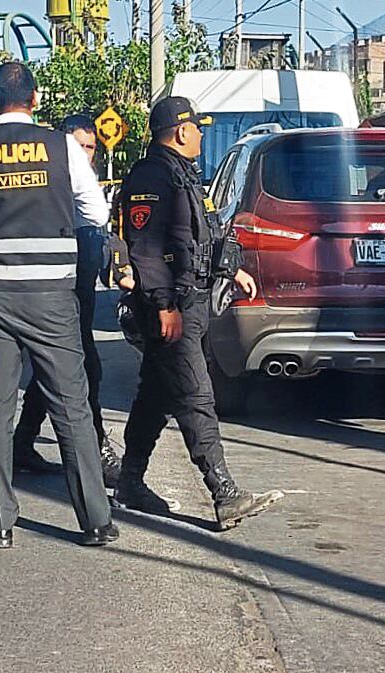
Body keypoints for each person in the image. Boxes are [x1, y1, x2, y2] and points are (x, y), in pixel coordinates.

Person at [0, 62, 116, 550]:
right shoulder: (62, 147)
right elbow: (96, 211)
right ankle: (95, 520)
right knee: (71, 405)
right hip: (53, 296)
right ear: (34, 100)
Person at [116, 95, 282, 530]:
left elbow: (198, 238)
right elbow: (147, 250)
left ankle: (130, 482)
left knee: (154, 397)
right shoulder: (152, 177)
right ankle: (223, 492)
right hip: (170, 306)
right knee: (196, 395)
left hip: (188, 301)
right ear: (181, 131)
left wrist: (233, 270)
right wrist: (164, 305)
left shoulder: (181, 175)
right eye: (198, 128)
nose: (203, 135)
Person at [13, 114, 124, 487]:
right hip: (53, 297)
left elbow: (104, 233)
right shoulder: (46, 191)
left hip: (82, 298)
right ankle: (98, 450)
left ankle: (22, 443)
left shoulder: (90, 189)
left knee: (53, 370)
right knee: (84, 369)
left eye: (90, 148)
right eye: (77, 147)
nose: (84, 154)